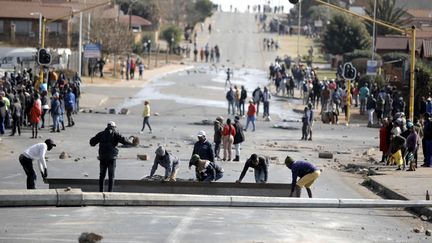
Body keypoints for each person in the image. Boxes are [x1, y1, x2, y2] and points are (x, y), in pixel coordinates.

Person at [90, 121, 134, 192]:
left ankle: (101, 192)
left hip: (102, 158)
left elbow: (92, 143)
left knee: (102, 176)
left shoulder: (101, 134)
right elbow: (125, 141)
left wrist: (97, 139)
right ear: (114, 127)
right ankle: (110, 193)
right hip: (112, 159)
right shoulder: (115, 134)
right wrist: (132, 141)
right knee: (111, 176)